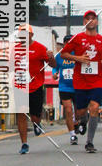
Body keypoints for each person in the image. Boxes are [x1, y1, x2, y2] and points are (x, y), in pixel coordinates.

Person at [60, 10, 102, 153]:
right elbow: (63, 53)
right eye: (87, 18)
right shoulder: (77, 38)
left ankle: (89, 142)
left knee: (95, 107)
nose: (91, 21)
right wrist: (78, 58)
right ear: (84, 22)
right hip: (80, 81)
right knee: (80, 111)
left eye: (93, 18)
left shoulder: (101, 40)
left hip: (97, 80)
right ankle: (82, 120)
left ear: (97, 22)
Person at [14, 26, 55, 154]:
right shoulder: (14, 49)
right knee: (21, 114)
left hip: (36, 86)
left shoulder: (40, 48)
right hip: (20, 86)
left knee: (35, 116)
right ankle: (24, 144)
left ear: (31, 35)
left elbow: (53, 65)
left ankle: (37, 124)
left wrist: (51, 57)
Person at [52, 35, 78, 145]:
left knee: (79, 112)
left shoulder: (78, 53)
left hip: (78, 87)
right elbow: (55, 67)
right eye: (67, 42)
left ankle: (79, 123)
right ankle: (72, 135)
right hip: (64, 87)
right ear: (64, 44)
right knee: (68, 110)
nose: (69, 44)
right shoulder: (59, 55)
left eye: (71, 42)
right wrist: (54, 74)